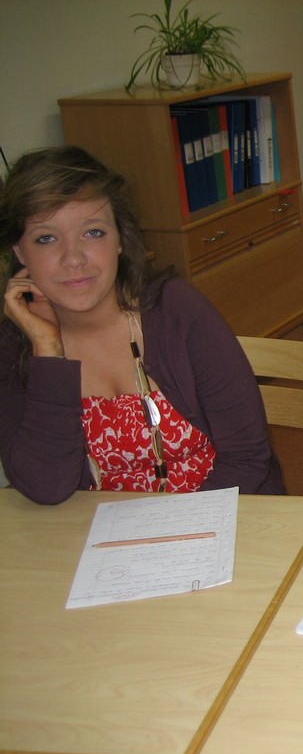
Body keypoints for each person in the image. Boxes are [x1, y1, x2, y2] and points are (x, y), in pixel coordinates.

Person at [0, 145, 284, 505]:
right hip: (97, 532)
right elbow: (46, 488)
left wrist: (181, 530)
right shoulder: (14, 346)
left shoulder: (177, 310)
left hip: (220, 510)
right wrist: (48, 352)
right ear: (20, 252)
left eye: (93, 233)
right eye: (46, 238)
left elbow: (246, 457)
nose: (73, 258)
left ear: (120, 239)